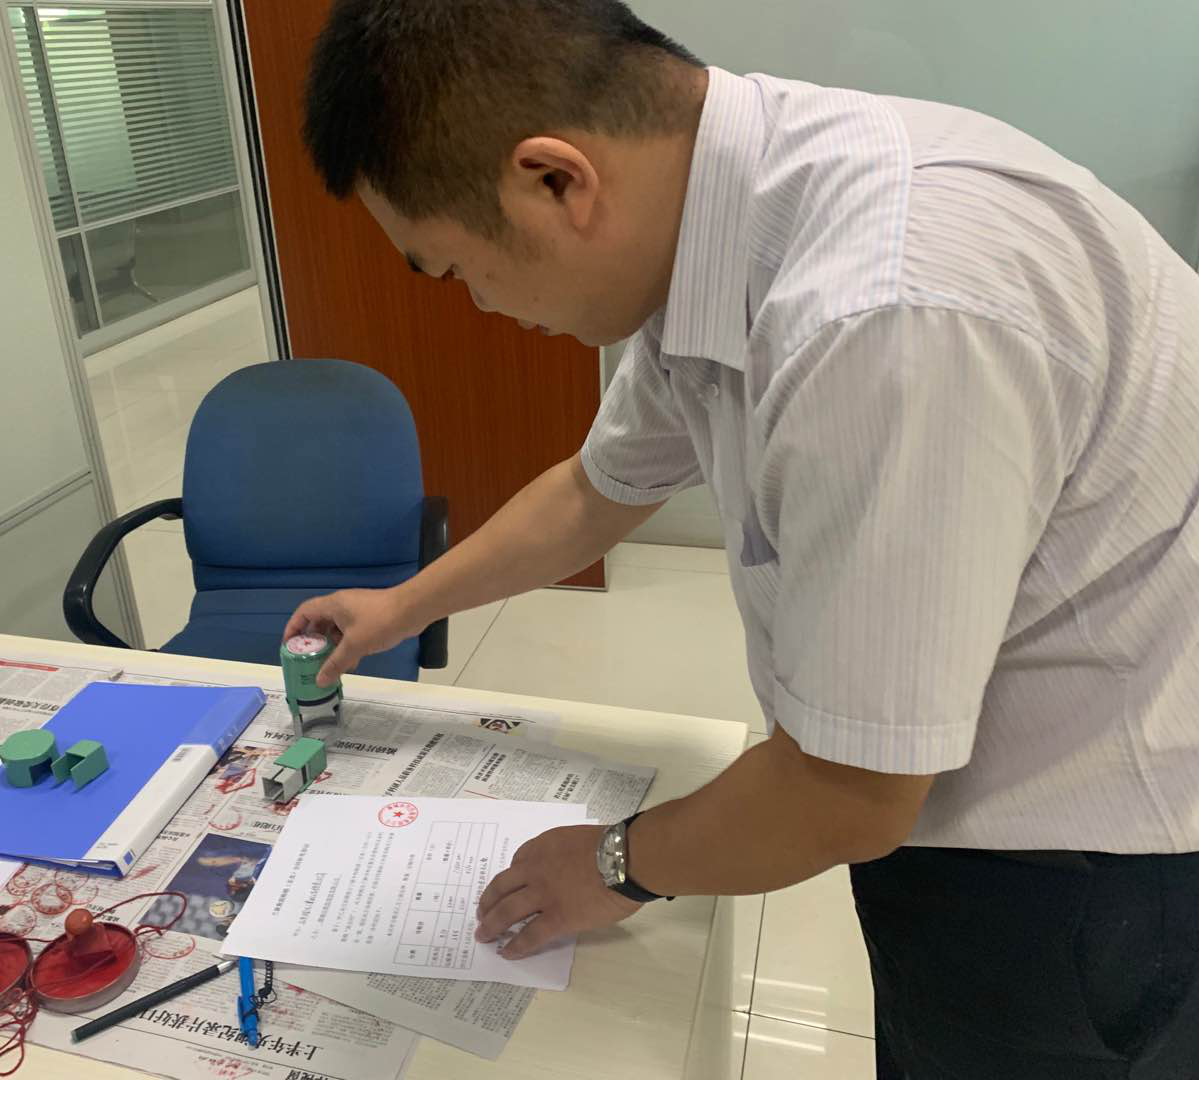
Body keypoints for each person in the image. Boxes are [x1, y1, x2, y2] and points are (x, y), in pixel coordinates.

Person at [290, 0, 1199, 1079]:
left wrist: (612, 863)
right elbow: (595, 490)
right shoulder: (720, 221)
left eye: (456, 269)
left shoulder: (881, 313)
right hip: (953, 798)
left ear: (555, 181)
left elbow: (848, 791)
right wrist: (402, 607)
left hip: (1096, 864)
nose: (480, 304)